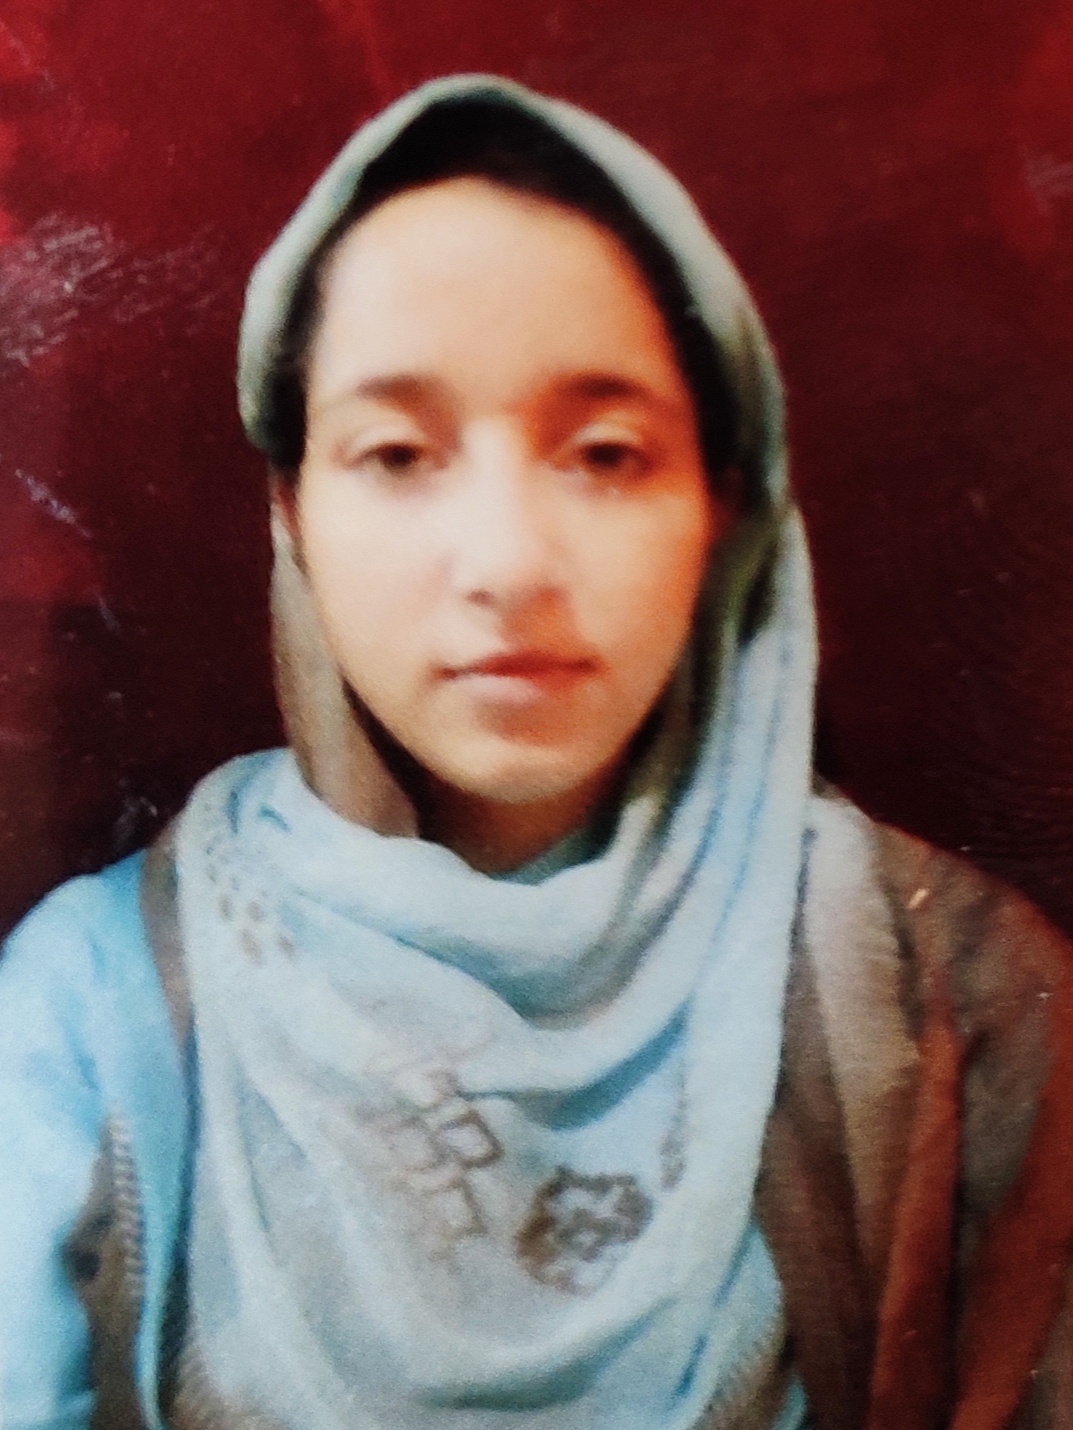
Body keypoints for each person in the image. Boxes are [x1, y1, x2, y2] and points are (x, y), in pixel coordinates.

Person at [1, 74, 1071, 1430]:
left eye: (607, 454)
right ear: (290, 512)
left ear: (725, 505)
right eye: (398, 453)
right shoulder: (88, 1013)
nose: (507, 562)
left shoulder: (962, 997)